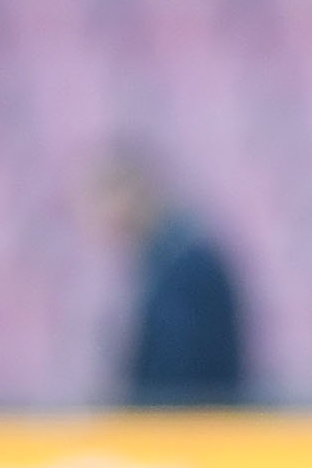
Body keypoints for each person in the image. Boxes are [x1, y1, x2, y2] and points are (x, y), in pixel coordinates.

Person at [97, 147, 247, 407]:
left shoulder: (181, 264)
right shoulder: (170, 254)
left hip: (187, 431)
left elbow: (176, 373)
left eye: (103, 197)